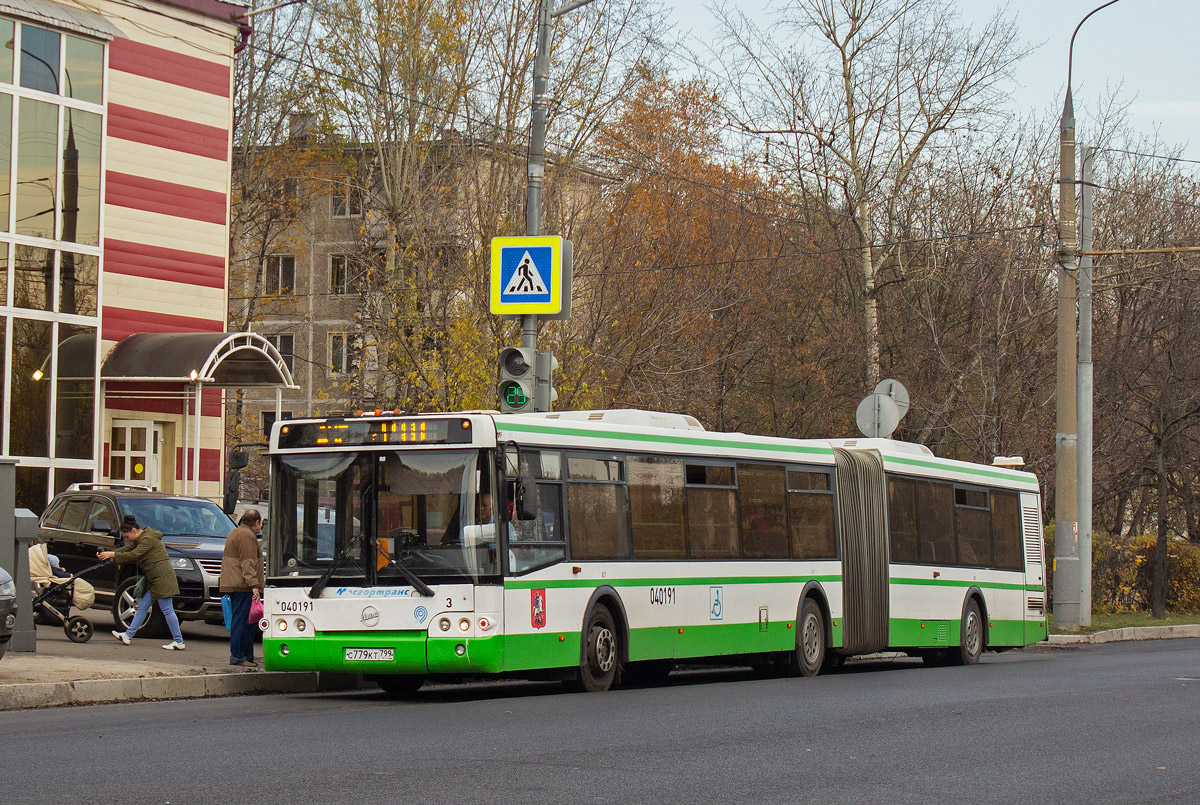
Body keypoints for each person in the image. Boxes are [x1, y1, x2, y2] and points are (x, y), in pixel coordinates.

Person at [99, 515, 185, 649]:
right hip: (156, 579)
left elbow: (133, 554)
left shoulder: (147, 540)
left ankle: (178, 641)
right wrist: (111, 553)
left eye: (126, 536)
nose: (126, 540)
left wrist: (113, 555)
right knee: (143, 607)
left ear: (134, 531)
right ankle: (128, 635)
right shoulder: (142, 537)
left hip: (162, 579)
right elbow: (128, 549)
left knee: (167, 610)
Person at [220, 509, 265, 668]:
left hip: (237, 584)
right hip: (242, 586)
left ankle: (247, 655)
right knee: (242, 621)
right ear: (256, 522)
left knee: (247, 622)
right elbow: (248, 562)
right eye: (261, 523)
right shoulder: (247, 536)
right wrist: (254, 585)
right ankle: (238, 656)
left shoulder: (236, 532)